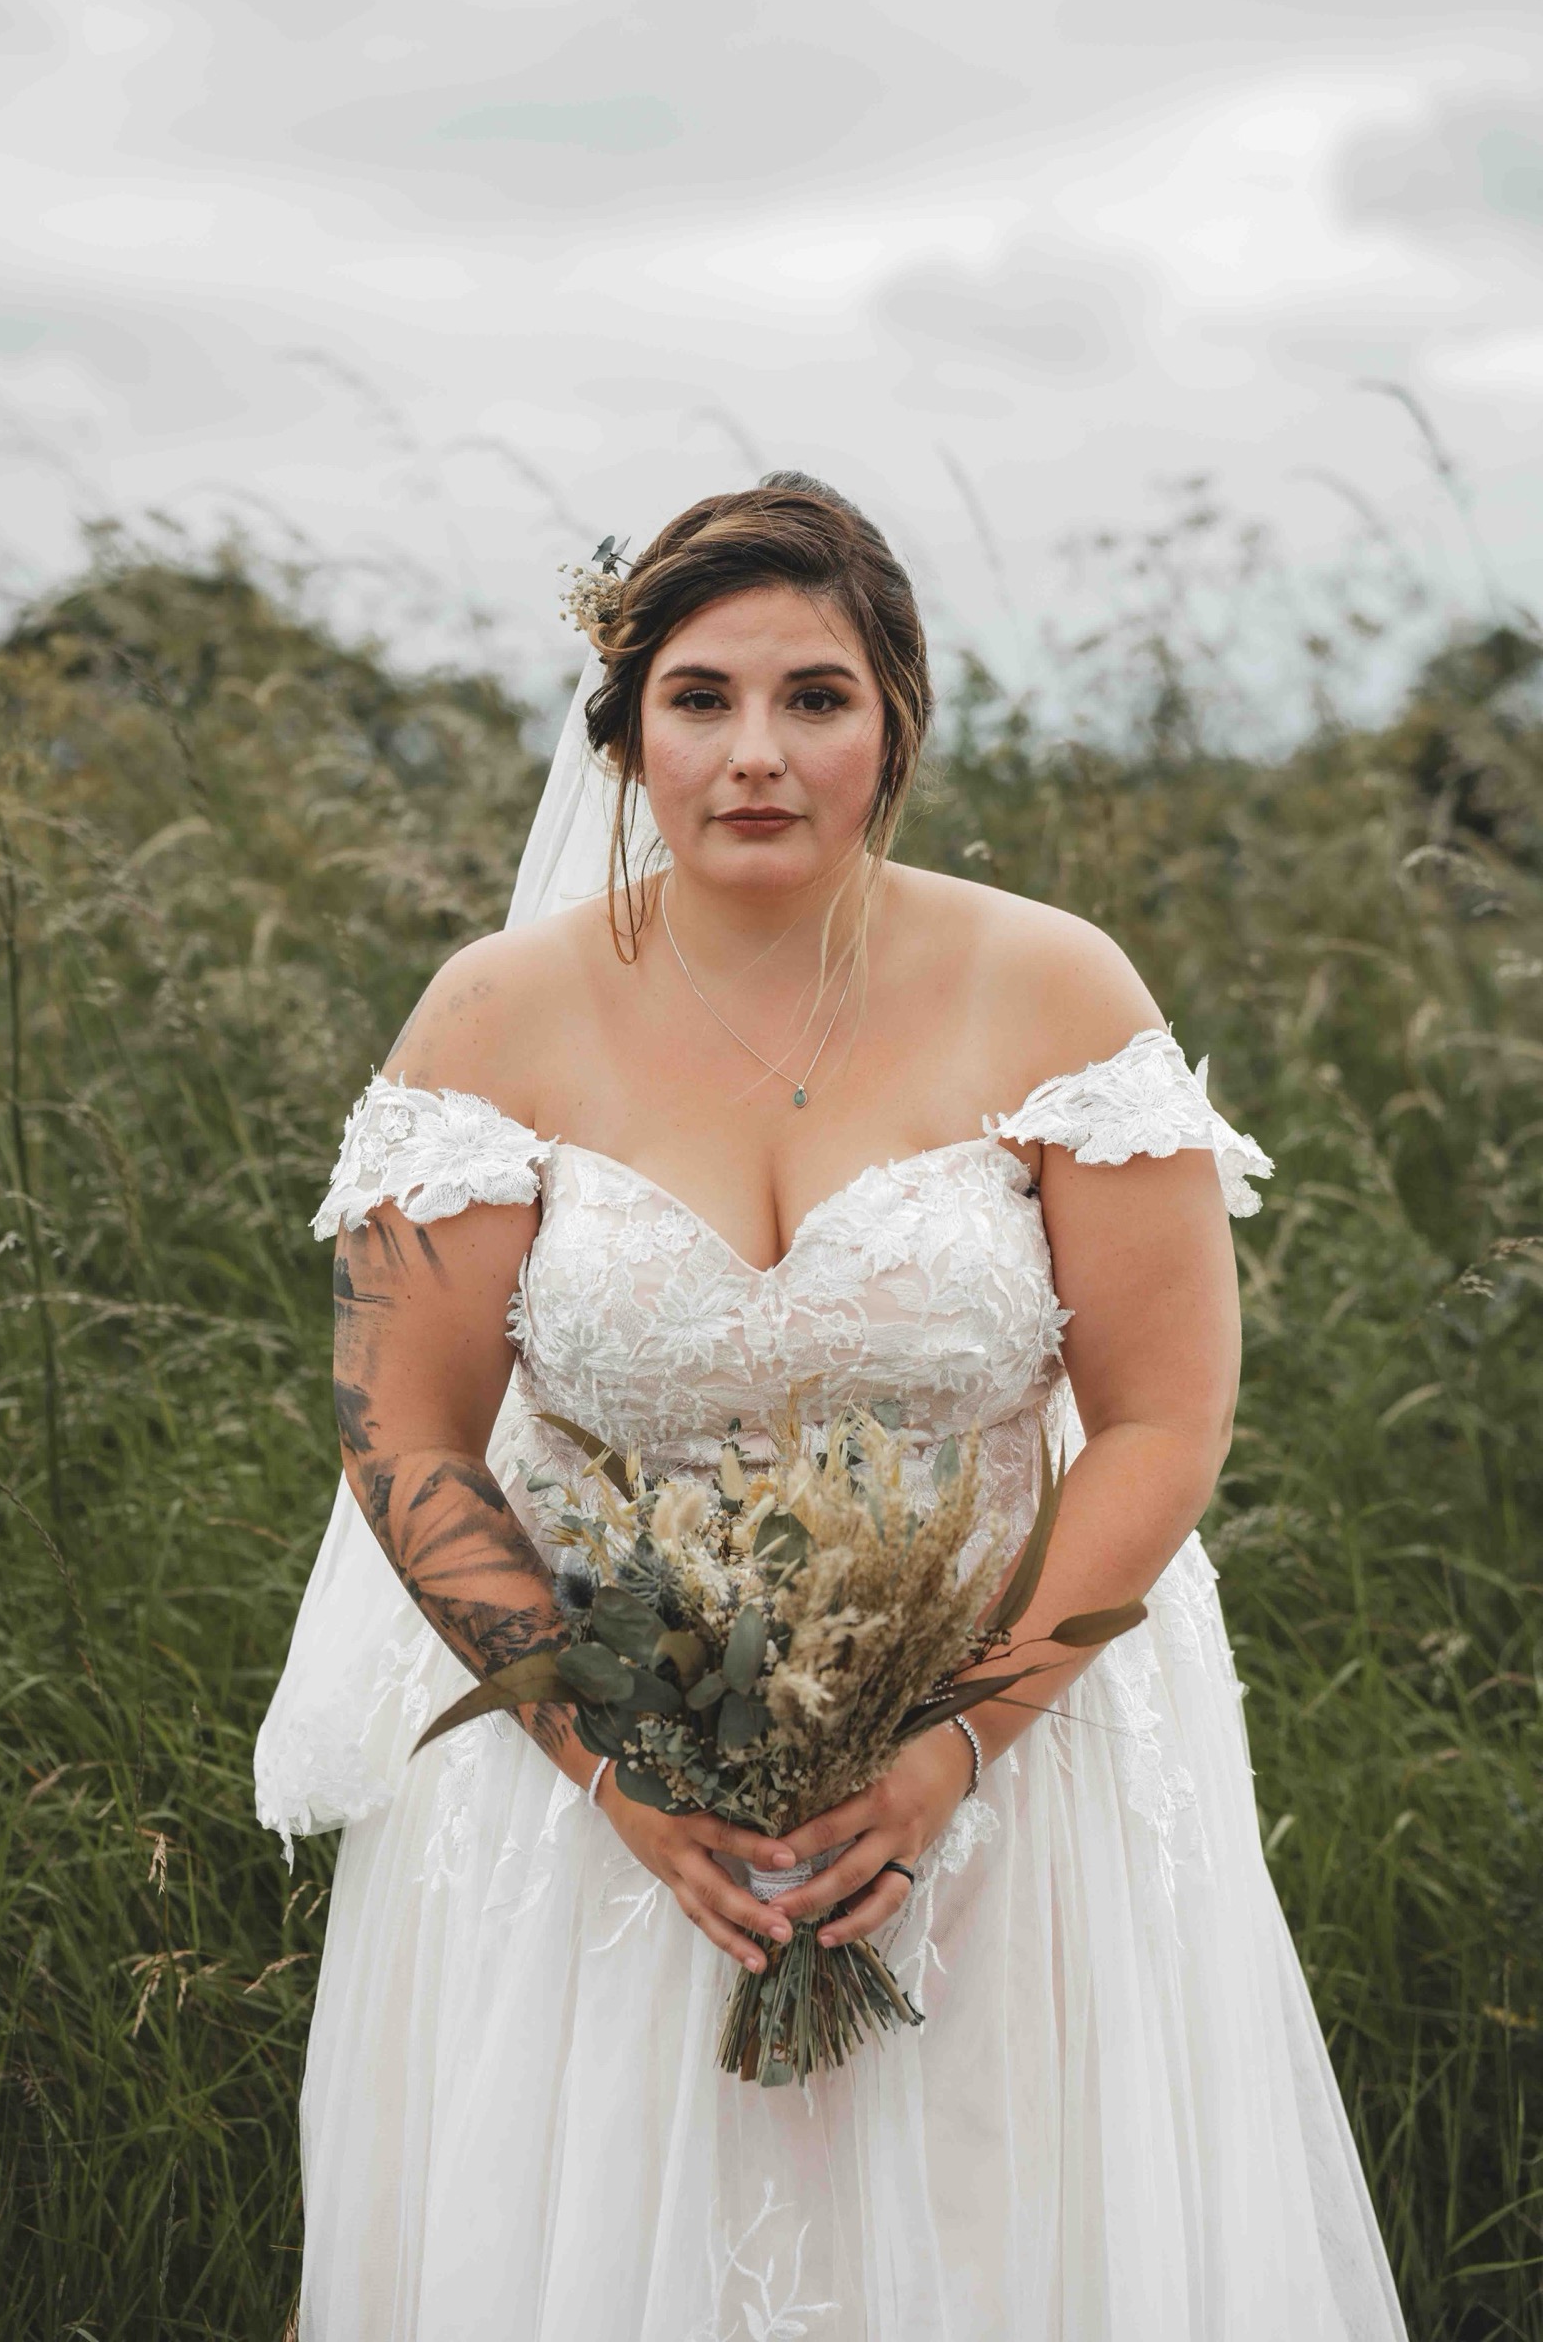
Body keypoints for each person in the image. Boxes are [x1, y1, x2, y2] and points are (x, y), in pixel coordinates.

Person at [256, 475, 1408, 2340]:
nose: (756, 755)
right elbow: (410, 1434)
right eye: (700, 698)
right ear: (623, 733)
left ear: (897, 722)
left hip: (1011, 1756)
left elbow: (1162, 1418)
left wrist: (953, 1743)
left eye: (816, 697)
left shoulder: (1054, 988)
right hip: (598, 1778)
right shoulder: (491, 1017)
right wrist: (619, 1770)